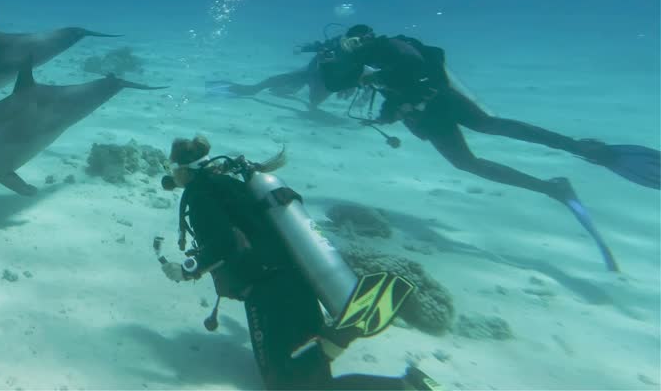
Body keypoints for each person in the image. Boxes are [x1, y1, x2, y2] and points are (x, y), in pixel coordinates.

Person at [319, 24, 660, 271]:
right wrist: (385, 112)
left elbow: (413, 67)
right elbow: (363, 89)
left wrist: (378, 80)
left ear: (364, 38)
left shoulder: (389, 47)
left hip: (440, 102)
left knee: (490, 128)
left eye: (353, 42)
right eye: (348, 45)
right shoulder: (371, 62)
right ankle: (553, 186)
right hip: (430, 114)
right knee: (470, 158)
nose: (352, 48)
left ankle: (580, 150)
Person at [158, 135, 440, 391]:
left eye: (173, 170)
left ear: (184, 170)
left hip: (269, 291)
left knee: (284, 384)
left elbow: (224, 245)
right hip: (299, 277)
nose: (173, 177)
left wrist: (185, 270)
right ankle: (408, 386)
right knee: (315, 384)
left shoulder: (200, 195)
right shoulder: (230, 184)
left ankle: (342, 334)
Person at [206, 34, 359, 111]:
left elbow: (365, 74)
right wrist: (303, 49)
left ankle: (294, 87)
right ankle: (289, 86)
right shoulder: (335, 43)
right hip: (312, 71)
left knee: (314, 103)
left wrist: (350, 85)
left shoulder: (361, 56)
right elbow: (317, 47)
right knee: (273, 81)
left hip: (327, 81)